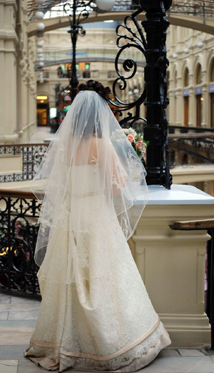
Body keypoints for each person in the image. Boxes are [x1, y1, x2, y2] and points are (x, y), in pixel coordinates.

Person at [25, 80, 171, 372]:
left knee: (71, 280)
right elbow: (117, 190)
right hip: (96, 216)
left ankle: (62, 340)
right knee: (105, 278)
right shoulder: (102, 145)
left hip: (70, 218)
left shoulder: (65, 145)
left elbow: (60, 186)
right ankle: (112, 343)